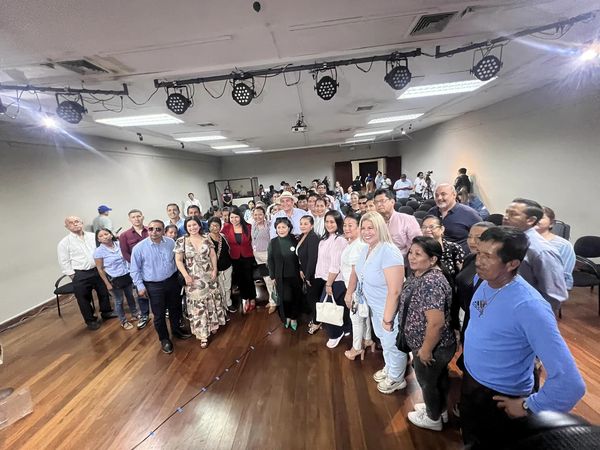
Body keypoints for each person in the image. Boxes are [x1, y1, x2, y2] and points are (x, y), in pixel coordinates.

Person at [461, 226, 585, 450]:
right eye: (479, 252)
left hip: (500, 399)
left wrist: (529, 407)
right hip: (473, 385)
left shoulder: (529, 306)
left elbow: (570, 383)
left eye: (488, 256)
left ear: (512, 264)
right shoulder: (484, 281)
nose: (478, 261)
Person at [345, 212, 407, 394]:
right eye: (363, 228)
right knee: (385, 341)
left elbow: (395, 290)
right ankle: (390, 367)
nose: (366, 232)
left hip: (389, 308)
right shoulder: (367, 249)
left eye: (371, 228)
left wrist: (388, 318)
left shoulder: (389, 251)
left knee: (392, 344)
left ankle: (397, 378)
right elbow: (360, 274)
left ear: (380, 228)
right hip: (374, 306)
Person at [402, 237, 456, 431]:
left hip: (432, 346)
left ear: (433, 259)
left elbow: (436, 323)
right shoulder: (422, 274)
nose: (412, 257)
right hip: (428, 344)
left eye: (418, 254)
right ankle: (440, 410)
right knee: (437, 380)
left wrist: (425, 350)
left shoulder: (430, 282)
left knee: (427, 383)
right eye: (411, 252)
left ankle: (433, 419)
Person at [130, 220, 191, 354]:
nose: (154, 232)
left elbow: (177, 260)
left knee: (175, 308)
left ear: (163, 231)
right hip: (154, 285)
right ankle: (164, 339)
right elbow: (134, 269)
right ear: (148, 230)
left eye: (158, 229)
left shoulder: (171, 242)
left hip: (172, 281)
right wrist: (140, 286)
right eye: (151, 229)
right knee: (159, 314)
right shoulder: (139, 248)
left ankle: (176, 331)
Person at [502, 198, 567, 311]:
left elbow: (554, 295)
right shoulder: (509, 240)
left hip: (526, 310)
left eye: (513, 214)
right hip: (506, 303)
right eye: (506, 212)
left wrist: (536, 316)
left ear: (531, 220)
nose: (505, 217)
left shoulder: (542, 250)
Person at [175, 217, 226, 348]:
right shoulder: (181, 241)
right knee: (198, 305)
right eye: (189, 225)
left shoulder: (206, 238)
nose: (192, 228)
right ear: (186, 227)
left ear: (199, 226)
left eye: (195, 225)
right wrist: (186, 275)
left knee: (211, 300)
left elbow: (212, 255)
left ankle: (213, 324)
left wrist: (215, 269)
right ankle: (203, 334)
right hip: (193, 278)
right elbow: (179, 260)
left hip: (208, 275)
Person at [57, 216, 116, 330]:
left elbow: (103, 249)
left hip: (97, 269)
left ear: (81, 223)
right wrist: (73, 276)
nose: (75, 224)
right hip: (80, 273)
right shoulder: (64, 243)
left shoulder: (93, 236)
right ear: (66, 226)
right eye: (71, 223)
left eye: (77, 221)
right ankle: (90, 320)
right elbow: (64, 261)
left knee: (103, 292)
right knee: (83, 298)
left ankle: (106, 312)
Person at [314, 210, 350, 348]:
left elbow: (335, 265)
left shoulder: (339, 240)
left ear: (338, 223)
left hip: (336, 280)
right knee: (339, 306)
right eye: (327, 222)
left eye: (332, 222)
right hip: (329, 279)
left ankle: (335, 334)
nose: (329, 224)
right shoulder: (325, 239)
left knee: (327, 307)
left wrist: (328, 284)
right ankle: (345, 328)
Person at [340, 213, 372, 360]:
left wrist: (349, 293)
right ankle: (368, 339)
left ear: (359, 227)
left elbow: (355, 273)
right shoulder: (356, 243)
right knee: (364, 315)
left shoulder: (357, 246)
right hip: (359, 289)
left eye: (350, 225)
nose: (346, 228)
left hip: (355, 289)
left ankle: (356, 348)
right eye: (345, 225)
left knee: (356, 318)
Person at [94, 228, 139, 330]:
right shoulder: (98, 251)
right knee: (119, 301)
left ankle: (135, 314)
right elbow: (100, 269)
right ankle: (123, 321)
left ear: (111, 235)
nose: (104, 237)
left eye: (106, 234)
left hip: (126, 274)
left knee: (130, 296)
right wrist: (107, 284)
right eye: (101, 236)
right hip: (114, 278)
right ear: (98, 240)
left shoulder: (119, 244)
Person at [267, 217, 303, 330]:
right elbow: (270, 260)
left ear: (289, 228)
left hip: (295, 275)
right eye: (279, 227)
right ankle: (286, 316)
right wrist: (272, 276)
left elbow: (301, 257)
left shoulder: (295, 239)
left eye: (284, 227)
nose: (281, 230)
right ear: (276, 229)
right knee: (285, 298)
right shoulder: (273, 242)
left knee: (295, 297)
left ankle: (294, 317)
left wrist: (301, 270)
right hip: (280, 276)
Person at [118, 209, 151, 330]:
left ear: (143, 217)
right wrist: (136, 265)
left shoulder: (151, 230)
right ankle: (145, 315)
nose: (136, 219)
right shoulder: (124, 235)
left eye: (138, 216)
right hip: (138, 269)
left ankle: (164, 310)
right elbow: (125, 253)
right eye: (133, 217)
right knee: (141, 292)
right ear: (130, 219)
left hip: (153, 267)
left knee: (158, 290)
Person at [427, 184, 481, 252]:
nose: (439, 198)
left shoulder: (469, 213)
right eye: (436, 195)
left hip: (461, 255)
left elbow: (482, 236)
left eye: (443, 194)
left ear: (454, 195)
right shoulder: (432, 212)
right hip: (435, 254)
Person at [222, 207, 257, 313]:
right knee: (240, 279)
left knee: (249, 277)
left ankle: (252, 298)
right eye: (231, 217)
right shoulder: (226, 228)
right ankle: (245, 298)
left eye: (236, 217)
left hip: (247, 256)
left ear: (240, 217)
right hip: (234, 257)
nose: (234, 219)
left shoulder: (248, 226)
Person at [373, 188, 421, 257]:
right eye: (376, 202)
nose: (379, 204)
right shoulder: (373, 222)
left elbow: (417, 244)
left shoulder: (407, 219)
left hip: (403, 259)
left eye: (382, 201)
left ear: (392, 202)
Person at [537, 206, 575, 290]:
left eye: (541, 217)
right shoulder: (522, 240)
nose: (536, 220)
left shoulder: (564, 245)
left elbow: (565, 275)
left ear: (551, 223)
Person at [297, 215, 322, 334]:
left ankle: (317, 322)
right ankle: (316, 318)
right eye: (301, 223)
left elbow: (313, 259)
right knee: (310, 298)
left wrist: (307, 276)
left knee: (313, 299)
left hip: (313, 274)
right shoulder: (303, 236)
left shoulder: (313, 237)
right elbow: (302, 257)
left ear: (312, 225)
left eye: (306, 224)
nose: (303, 226)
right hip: (306, 272)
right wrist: (301, 270)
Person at [252, 206, 276, 314]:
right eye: (255, 215)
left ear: (264, 215)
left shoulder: (269, 225)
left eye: (260, 214)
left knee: (271, 279)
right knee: (266, 279)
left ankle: (274, 302)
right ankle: (272, 300)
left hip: (267, 254)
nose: (258, 217)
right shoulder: (253, 225)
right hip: (257, 255)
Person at [207, 217, 234, 313]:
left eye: (217, 225)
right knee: (219, 288)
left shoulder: (223, 236)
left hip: (227, 266)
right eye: (213, 225)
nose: (215, 228)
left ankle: (228, 303)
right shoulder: (206, 239)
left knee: (227, 287)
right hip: (215, 269)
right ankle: (222, 307)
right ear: (209, 226)